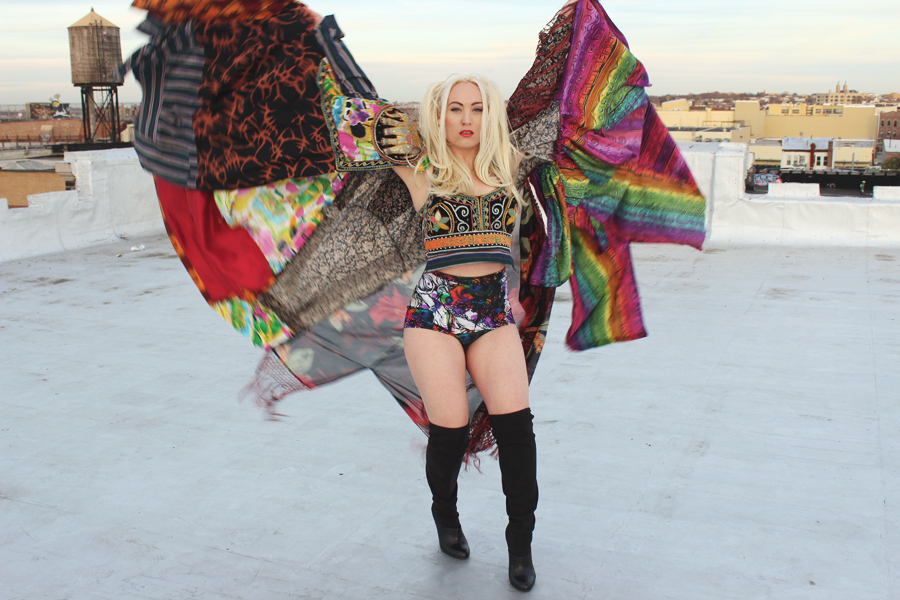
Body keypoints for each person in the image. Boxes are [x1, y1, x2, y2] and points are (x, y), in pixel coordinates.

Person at [392, 76, 539, 592]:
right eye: (454, 109)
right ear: (439, 116)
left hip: (492, 314)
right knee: (450, 431)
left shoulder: (510, 167)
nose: (466, 119)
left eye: (477, 108)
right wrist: (411, 123)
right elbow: (357, 126)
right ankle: (445, 514)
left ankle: (520, 546)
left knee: (517, 432)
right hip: (434, 313)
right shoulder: (421, 171)